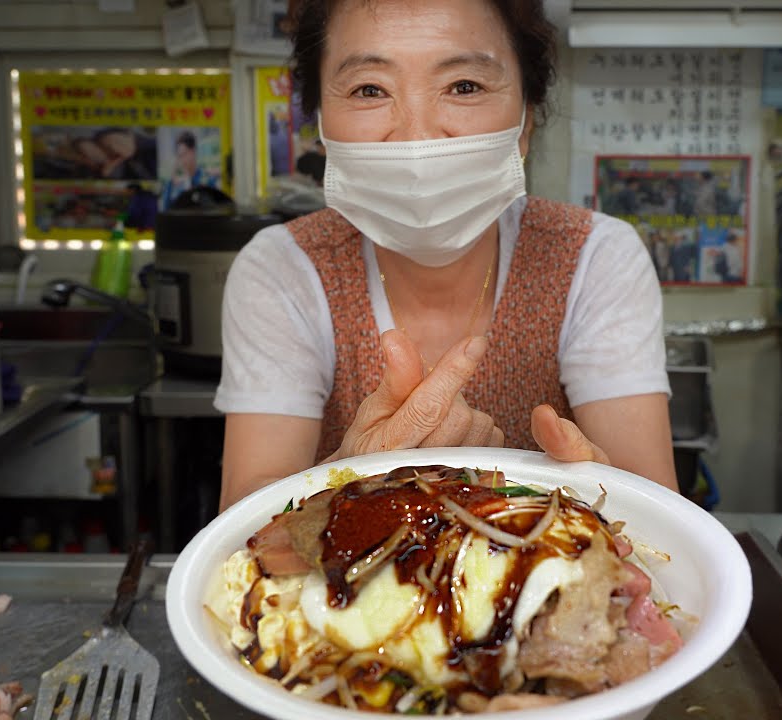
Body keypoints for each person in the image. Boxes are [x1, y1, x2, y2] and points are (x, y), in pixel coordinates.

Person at [217, 0, 676, 509]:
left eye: (464, 87)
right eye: (370, 90)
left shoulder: (594, 256)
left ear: (525, 122)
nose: (417, 136)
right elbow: (241, 514)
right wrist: (346, 483)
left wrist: (608, 501)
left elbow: (664, 514)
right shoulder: (284, 268)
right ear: (321, 126)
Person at [160, 131, 214, 208]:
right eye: (179, 156)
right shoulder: (177, 185)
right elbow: (166, 209)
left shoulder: (207, 180)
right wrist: (171, 183)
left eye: (184, 154)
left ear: (193, 152)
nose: (182, 160)